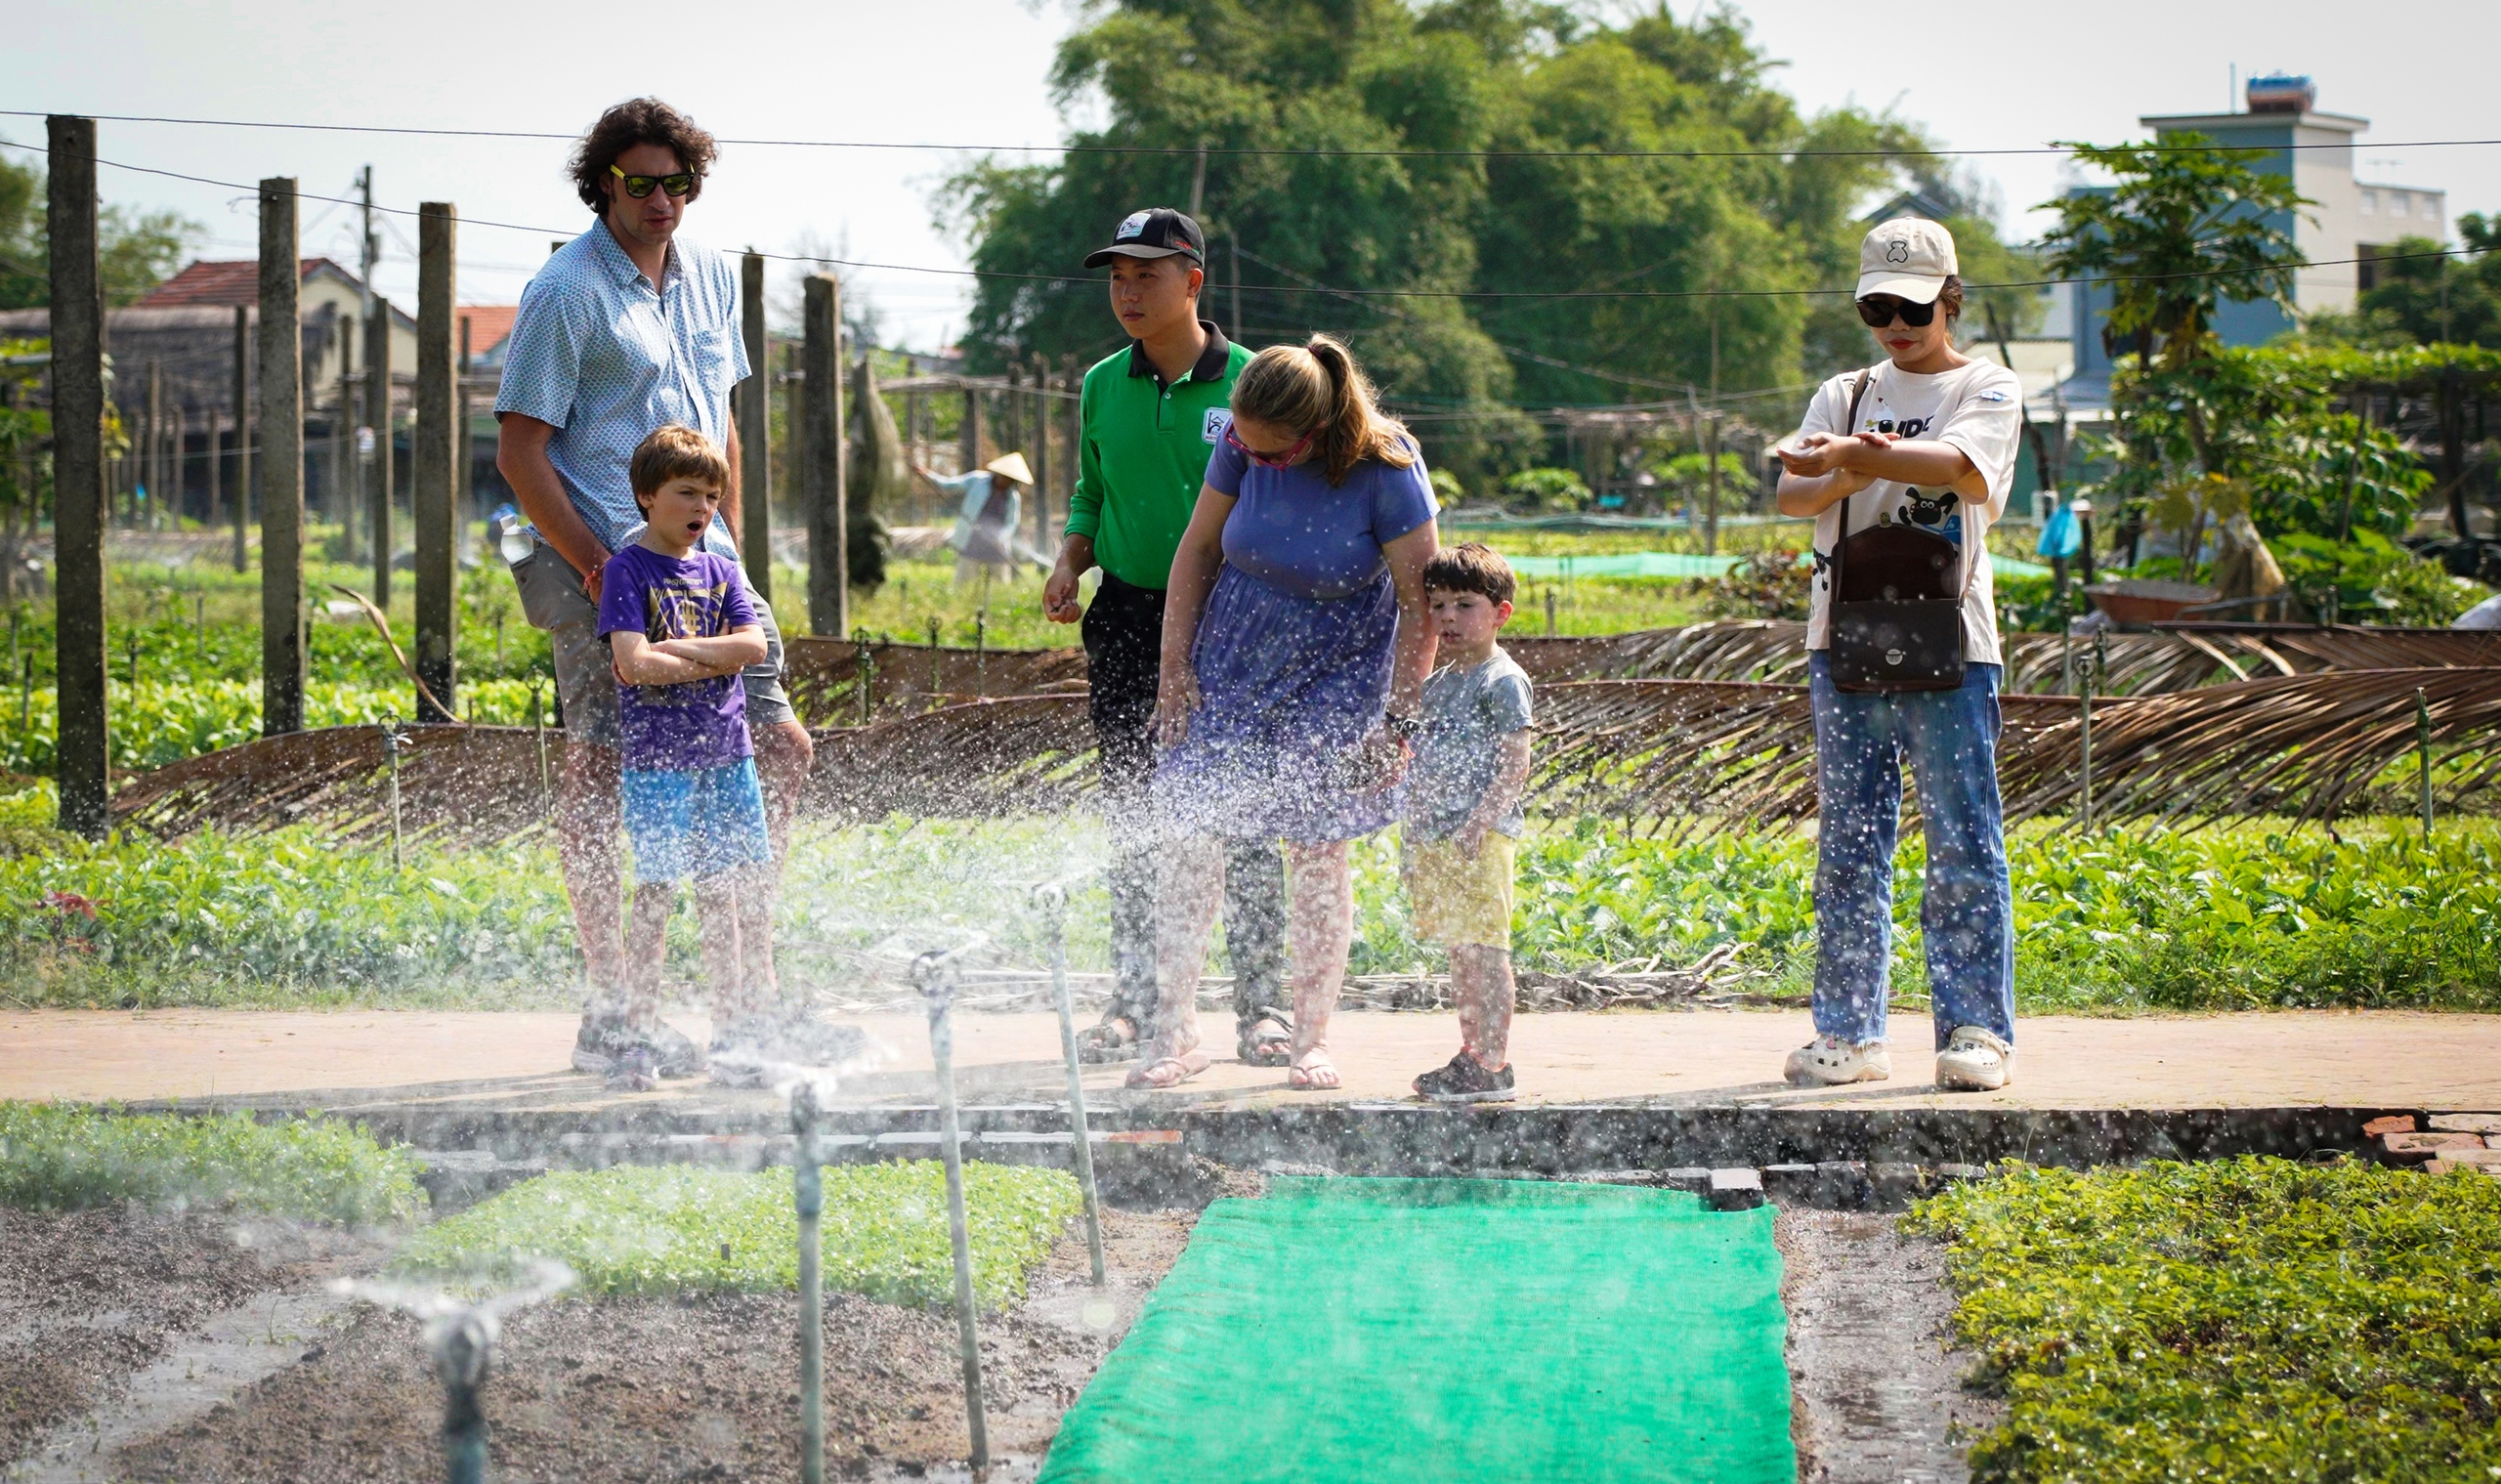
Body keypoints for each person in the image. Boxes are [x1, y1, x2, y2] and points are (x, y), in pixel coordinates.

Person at [494, 97, 833, 1079]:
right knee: (606, 774)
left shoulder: (711, 277)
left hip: (705, 559)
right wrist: (601, 564)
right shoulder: (565, 291)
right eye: (640, 182)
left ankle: (744, 1002)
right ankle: (616, 1012)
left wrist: (716, 541)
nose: (660, 200)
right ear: (604, 183)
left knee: (776, 744)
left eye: (678, 183)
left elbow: (718, 422)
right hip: (597, 560)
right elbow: (523, 453)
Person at [1131, 335, 1441, 1091]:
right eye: (1245, 444)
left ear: (1320, 430)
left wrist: (1397, 722)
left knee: (1315, 850)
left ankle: (1311, 1039)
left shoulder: (1388, 467)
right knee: (1190, 837)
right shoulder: (1242, 443)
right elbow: (1197, 551)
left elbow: (1419, 604)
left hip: (1339, 673)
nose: (1253, 458)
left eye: (1273, 454)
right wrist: (1174, 669)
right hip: (1233, 661)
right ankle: (1175, 1030)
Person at [1772, 218, 2023, 1093]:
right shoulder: (1842, 392)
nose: (1896, 325)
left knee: (1962, 840)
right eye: (1878, 307)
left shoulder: (1988, 388)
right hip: (1843, 640)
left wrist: (1854, 458)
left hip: (1953, 644)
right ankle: (1848, 1032)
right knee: (1850, 841)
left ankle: (1978, 1030)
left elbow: (1959, 467)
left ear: (1950, 298)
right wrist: (1845, 464)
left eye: (1913, 306)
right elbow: (1791, 491)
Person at [1041, 207, 1291, 1070]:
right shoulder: (1102, 381)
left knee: (1247, 811)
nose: (1127, 291)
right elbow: (1090, 491)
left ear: (1192, 282)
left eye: (1147, 275)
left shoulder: (1257, 382)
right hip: (1129, 618)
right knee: (1135, 811)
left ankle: (1263, 1009)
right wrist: (1071, 559)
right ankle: (1134, 1001)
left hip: (1236, 622)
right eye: (1117, 276)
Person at [593, 428, 806, 1088]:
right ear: (647, 497)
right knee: (655, 898)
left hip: (728, 758)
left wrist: (677, 654)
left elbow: (753, 650)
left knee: (725, 899)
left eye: (712, 496)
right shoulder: (628, 570)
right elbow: (632, 663)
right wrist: (709, 651)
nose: (701, 508)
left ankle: (732, 1038)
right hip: (659, 766)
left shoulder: (721, 569)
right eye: (687, 493)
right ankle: (635, 1037)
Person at [1403, 543, 1534, 1104]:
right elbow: (1422, 767)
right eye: (1437, 606)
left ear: (1500, 613)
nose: (1448, 618)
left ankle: (1494, 1062)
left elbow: (1515, 762)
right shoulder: (1437, 685)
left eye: (1464, 604)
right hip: (1440, 838)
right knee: (1462, 951)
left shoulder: (1501, 681)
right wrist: (1413, 833)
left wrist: (1480, 822)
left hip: (1481, 838)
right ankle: (1470, 1053)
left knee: (1487, 951)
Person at [916, 451, 1038, 586]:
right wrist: (927, 475)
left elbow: (1011, 523)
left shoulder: (1013, 498)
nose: (1006, 481)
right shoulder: (977, 481)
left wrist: (1001, 537)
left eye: (1011, 479)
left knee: (1000, 584)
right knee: (963, 583)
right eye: (1005, 477)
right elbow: (949, 484)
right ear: (999, 474)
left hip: (996, 545)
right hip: (972, 539)